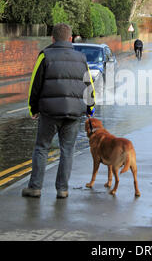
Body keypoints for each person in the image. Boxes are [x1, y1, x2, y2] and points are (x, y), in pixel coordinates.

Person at [22, 23, 96, 199]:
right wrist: (90, 109)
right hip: (73, 113)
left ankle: (35, 188)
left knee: (41, 147)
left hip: (49, 112)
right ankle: (62, 189)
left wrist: (33, 108)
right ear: (71, 39)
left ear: (52, 38)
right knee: (67, 150)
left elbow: (35, 84)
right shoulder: (81, 58)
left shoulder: (45, 55)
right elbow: (89, 86)